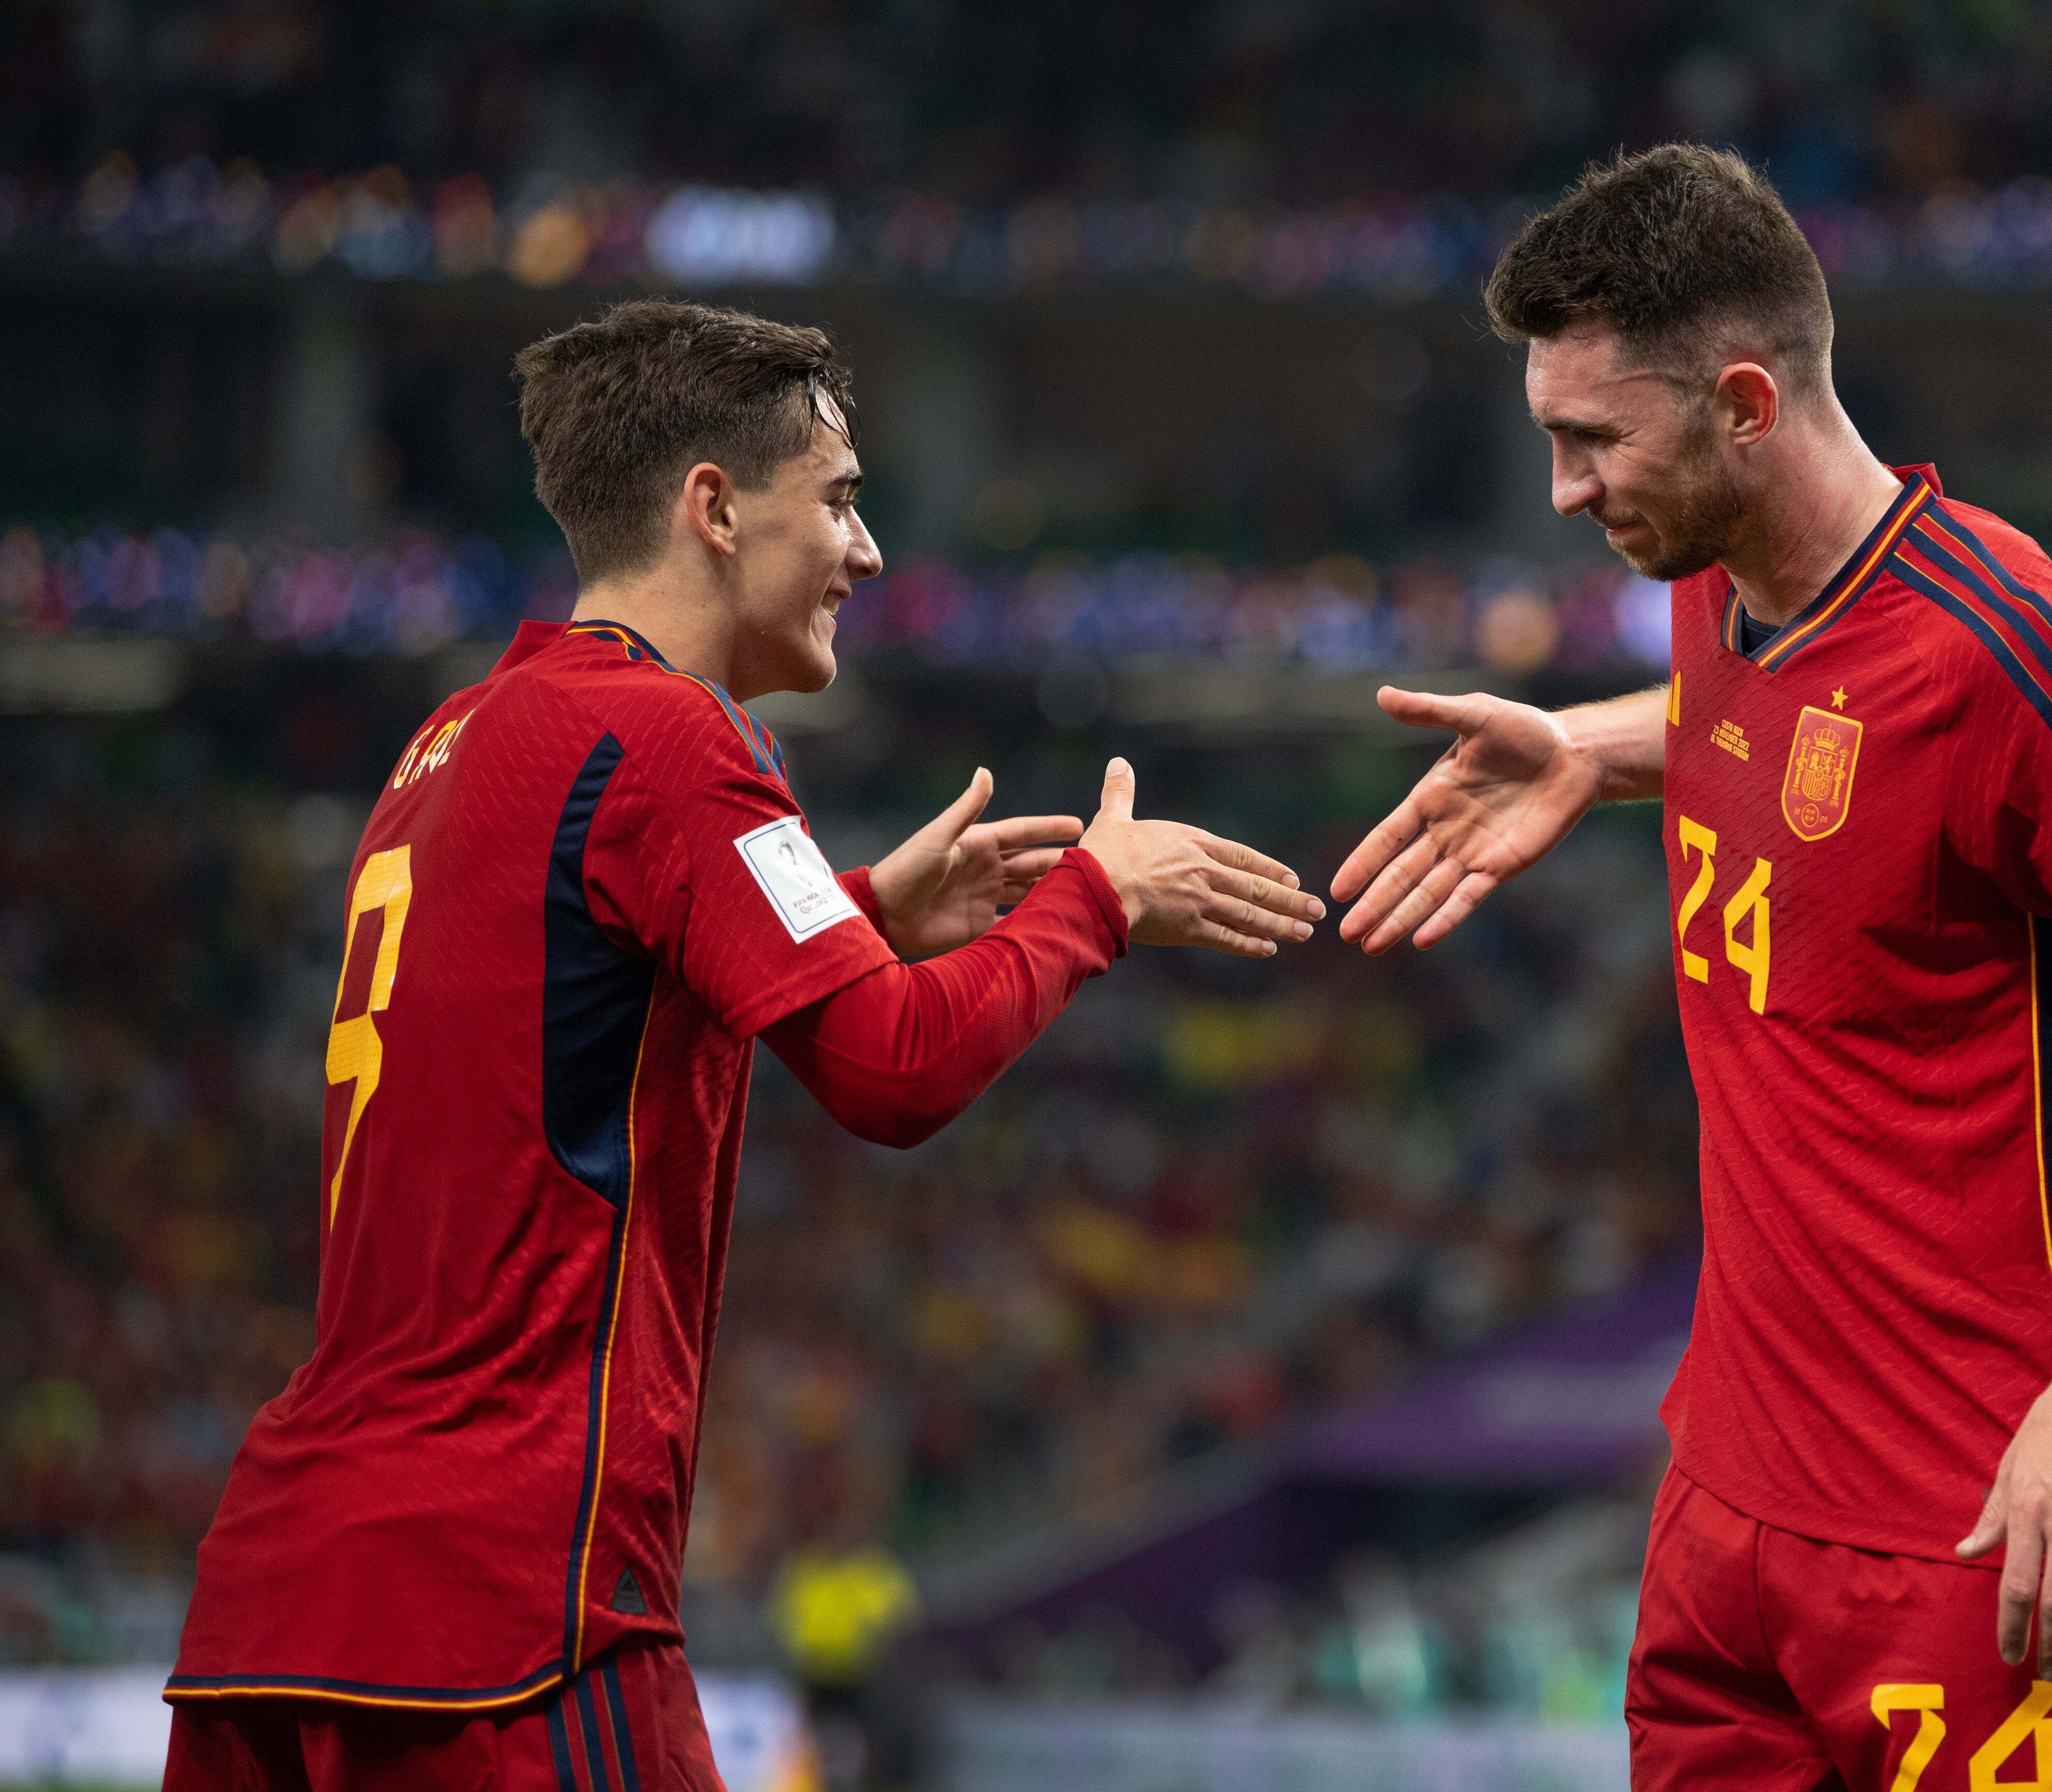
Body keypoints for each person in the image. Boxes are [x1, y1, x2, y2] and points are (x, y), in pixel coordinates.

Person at [162, 299, 1324, 1791]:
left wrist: (839, 917)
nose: (870, 550)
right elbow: (891, 1072)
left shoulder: (457, 739)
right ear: (713, 505)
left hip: (277, 1604)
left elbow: (570, 1002)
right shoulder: (671, 740)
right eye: (839, 499)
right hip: (506, 1613)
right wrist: (1098, 901)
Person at [1333, 145, 2052, 1791]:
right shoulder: (1714, 586)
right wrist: (1596, 747)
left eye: (1592, 441)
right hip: (1726, 1517)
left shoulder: (2025, 660)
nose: (1565, 494)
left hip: (1985, 1536)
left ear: (1744, 403)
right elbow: (1818, 746)